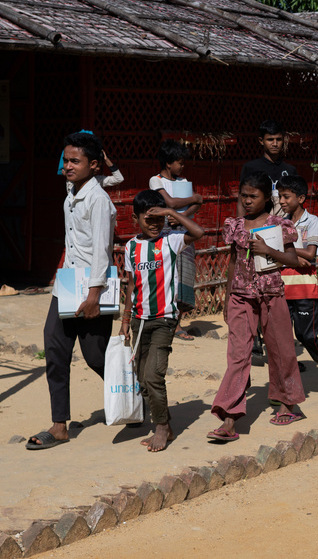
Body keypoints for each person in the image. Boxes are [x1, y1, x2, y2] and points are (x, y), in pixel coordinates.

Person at [27, 132, 116, 450]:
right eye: (65, 160)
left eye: (74, 161)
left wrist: (93, 295)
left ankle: (133, 396)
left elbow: (102, 252)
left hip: (93, 285)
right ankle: (59, 424)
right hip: (67, 283)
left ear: (94, 165)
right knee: (54, 347)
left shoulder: (98, 200)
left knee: (95, 356)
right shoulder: (71, 193)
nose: (67, 166)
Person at [208, 172, 306, 441]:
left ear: (266, 198)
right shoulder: (236, 225)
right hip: (240, 296)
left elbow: (293, 260)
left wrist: (267, 250)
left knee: (280, 350)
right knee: (238, 354)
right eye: (244, 196)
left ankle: (288, 402)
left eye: (254, 196)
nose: (248, 201)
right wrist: (227, 299)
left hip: (271, 294)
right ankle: (229, 418)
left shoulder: (279, 225)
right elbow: (232, 262)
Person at [119, 190, 206, 452]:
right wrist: (125, 321)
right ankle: (166, 426)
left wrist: (170, 212)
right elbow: (131, 286)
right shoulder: (131, 247)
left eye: (159, 219)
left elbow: (199, 233)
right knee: (141, 378)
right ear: (136, 219)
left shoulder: (171, 241)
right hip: (138, 321)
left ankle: (160, 428)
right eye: (149, 219)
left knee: (154, 375)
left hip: (164, 321)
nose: (155, 224)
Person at [277, 175, 318, 393]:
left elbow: (311, 254)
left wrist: (285, 253)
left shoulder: (311, 220)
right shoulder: (279, 222)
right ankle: (286, 384)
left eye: (286, 196)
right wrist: (294, 256)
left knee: (307, 336)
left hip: (304, 287)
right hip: (281, 287)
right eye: (280, 196)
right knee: (282, 338)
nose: (282, 201)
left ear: (301, 198)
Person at [149, 139, 204, 340]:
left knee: (184, 277)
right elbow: (170, 202)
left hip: (183, 233)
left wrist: (182, 216)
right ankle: (172, 323)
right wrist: (195, 198)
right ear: (168, 162)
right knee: (169, 277)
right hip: (164, 234)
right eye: (179, 162)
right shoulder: (156, 181)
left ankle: (177, 321)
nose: (182, 166)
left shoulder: (183, 182)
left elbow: (192, 207)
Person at [240, 120, 296, 218]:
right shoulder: (251, 168)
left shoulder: (290, 170)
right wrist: (239, 226)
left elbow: (295, 202)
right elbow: (241, 200)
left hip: (285, 223)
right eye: (270, 139)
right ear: (261, 141)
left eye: (278, 139)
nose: (275, 144)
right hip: (257, 224)